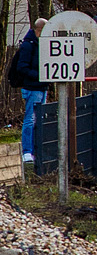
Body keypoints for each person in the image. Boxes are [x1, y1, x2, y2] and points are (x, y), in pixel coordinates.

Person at [6, 18, 49, 165]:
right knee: (30, 119)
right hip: (33, 88)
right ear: (40, 30)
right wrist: (39, 76)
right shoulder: (28, 45)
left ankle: (34, 149)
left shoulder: (39, 44)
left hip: (41, 87)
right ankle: (27, 151)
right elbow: (22, 67)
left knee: (38, 119)